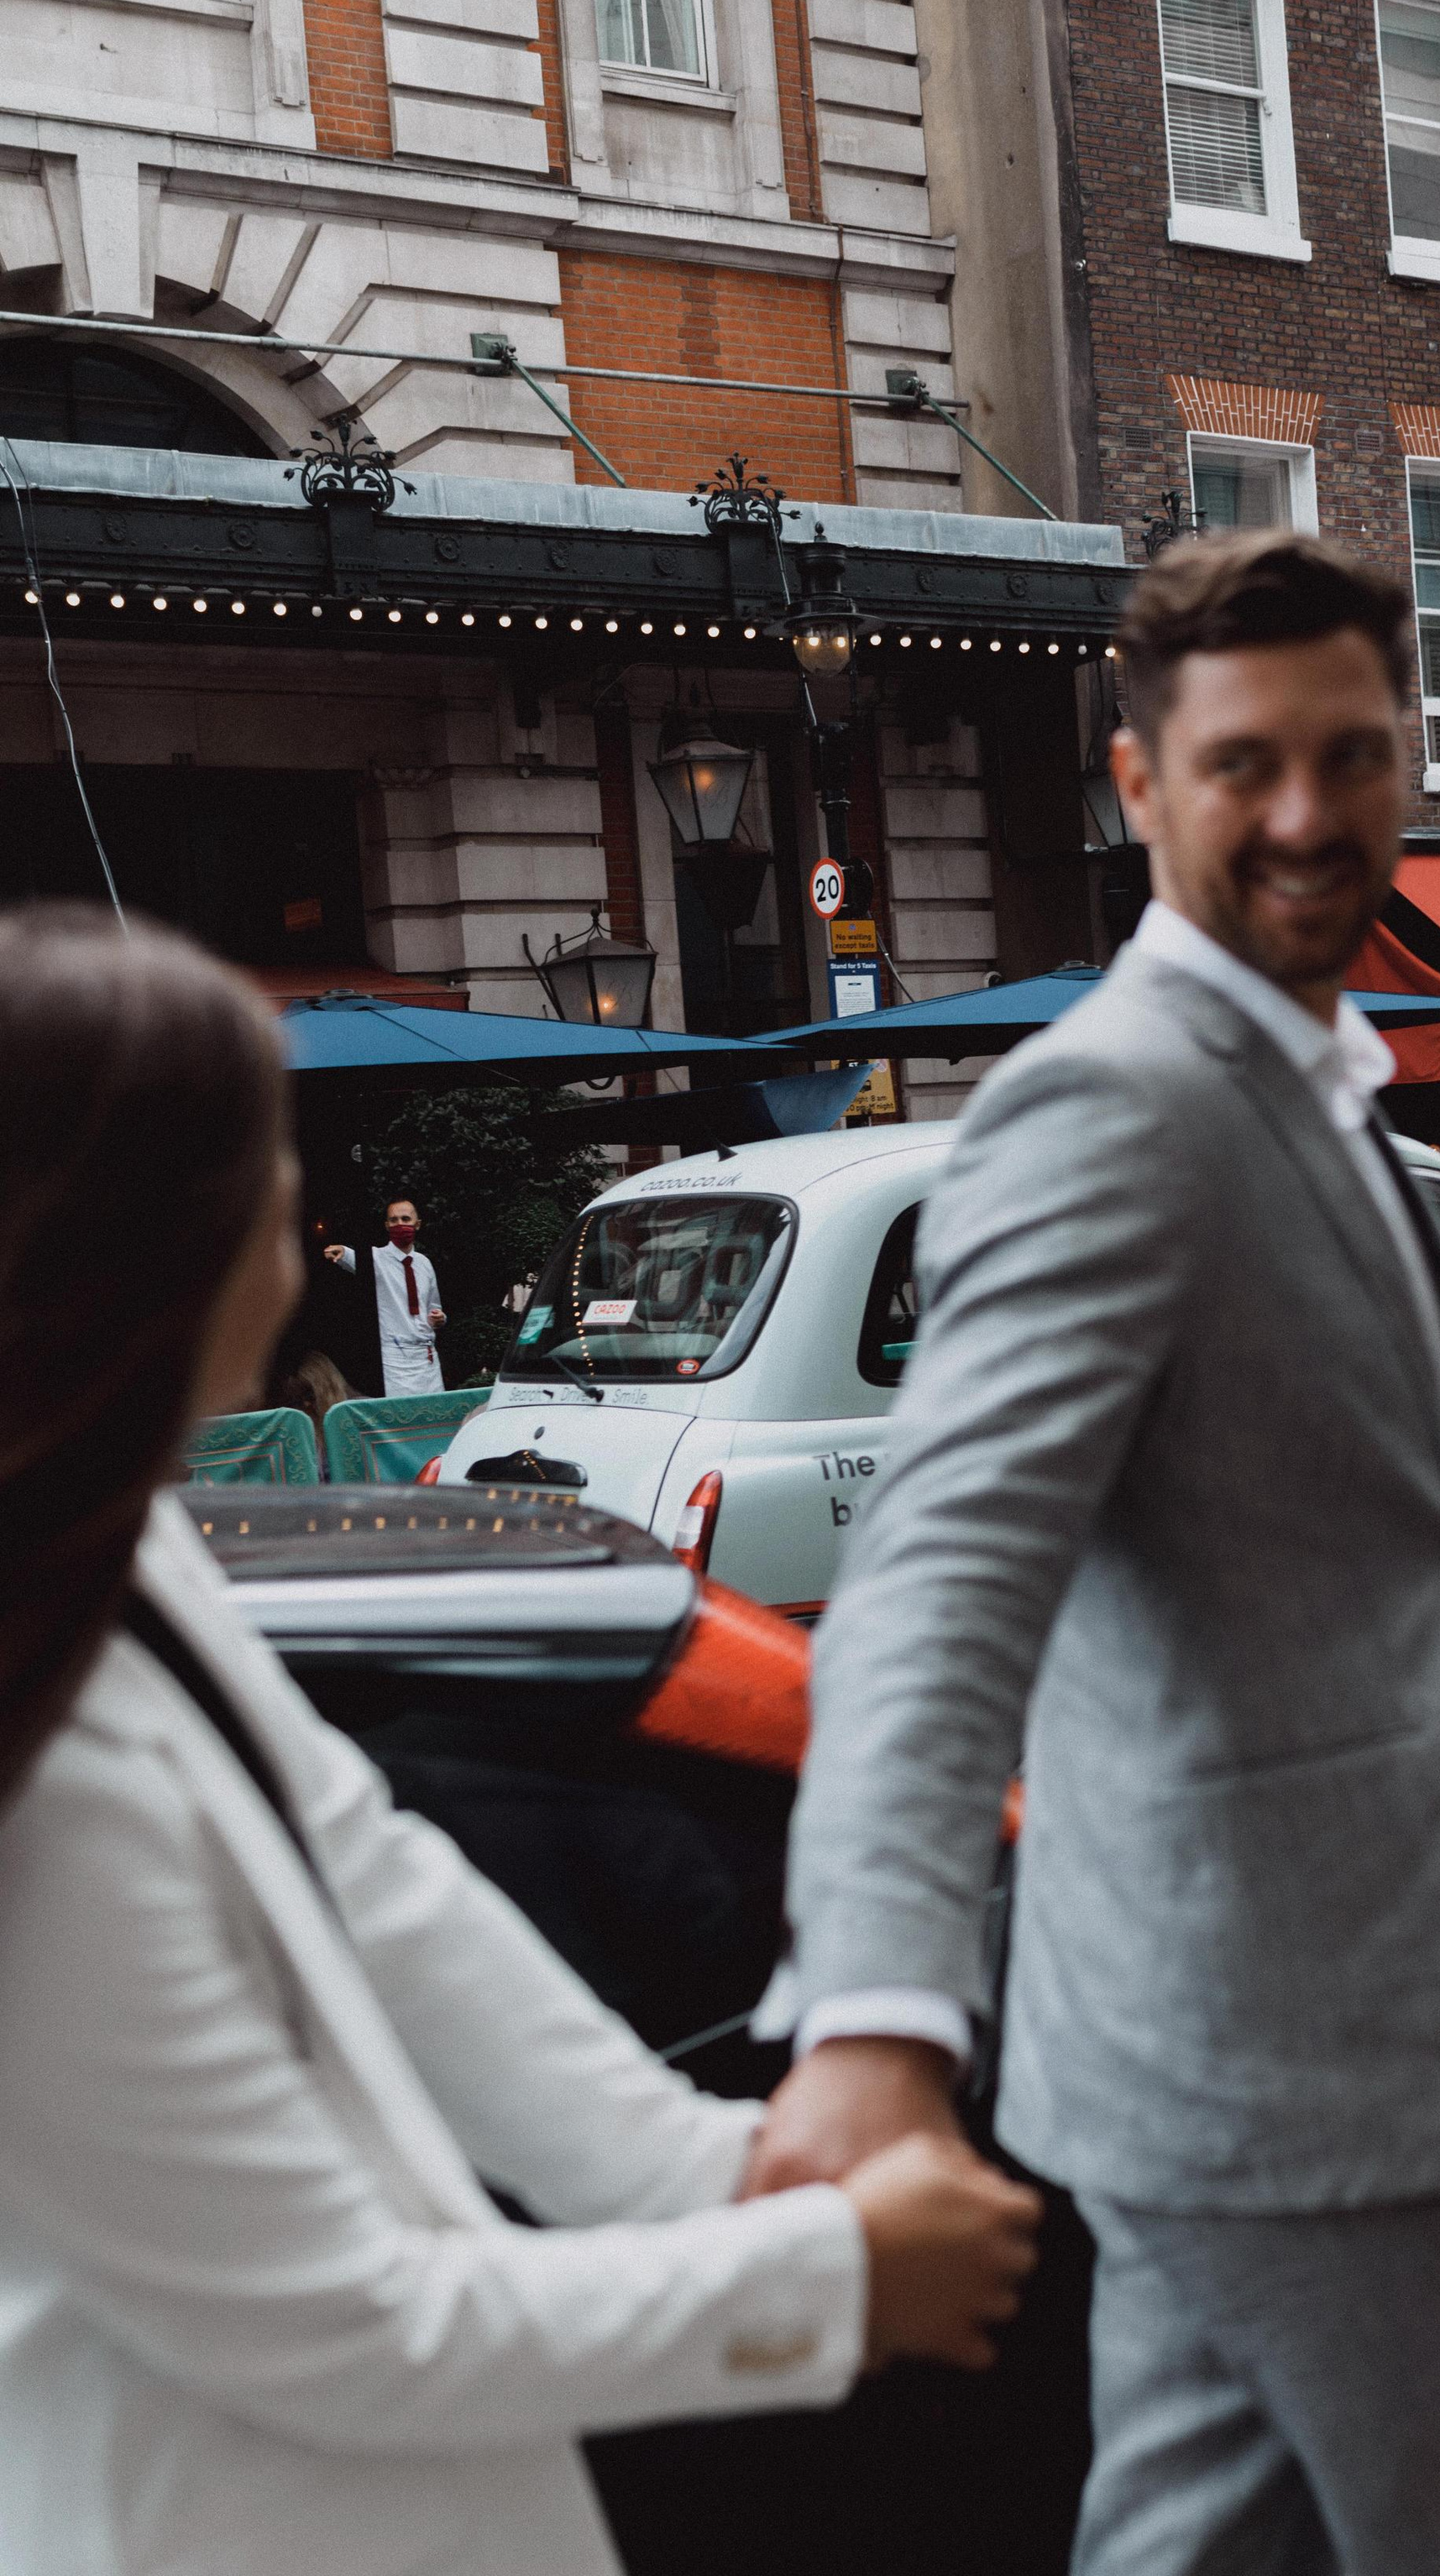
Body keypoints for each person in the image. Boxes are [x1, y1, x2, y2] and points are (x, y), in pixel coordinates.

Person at [751, 535, 1440, 2575]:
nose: (1309, 816)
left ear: (1411, 756)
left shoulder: (1300, 1082)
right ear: (1139, 786)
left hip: (1250, 2066)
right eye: (1245, 766)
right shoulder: (1118, 1112)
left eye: (1353, 754)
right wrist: (875, 2027)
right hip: (1319, 2104)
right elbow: (938, 1585)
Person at [0, 905, 1039, 2576]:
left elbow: (387, 1884)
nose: (299, 1192)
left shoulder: (128, 1558)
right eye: (265, 1153)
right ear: (164, 1238)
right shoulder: (41, 1785)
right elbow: (354, 2323)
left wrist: (717, 2166)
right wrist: (832, 2269)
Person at [326, 1195, 447, 1394]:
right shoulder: (376, 1258)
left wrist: (440, 1318)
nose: (400, 1224)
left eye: (406, 1219)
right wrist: (342, 1252)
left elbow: (436, 1307)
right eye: (394, 1220)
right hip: (395, 1360)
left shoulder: (425, 1263)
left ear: (417, 1224)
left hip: (427, 1358)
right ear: (387, 1225)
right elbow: (354, 1259)